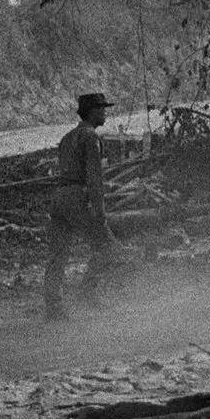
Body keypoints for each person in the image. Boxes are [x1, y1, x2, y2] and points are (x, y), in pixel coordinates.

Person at [45, 91, 125, 321]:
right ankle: (87, 292)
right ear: (91, 112)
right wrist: (99, 210)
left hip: (59, 196)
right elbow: (94, 177)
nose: (105, 113)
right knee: (107, 246)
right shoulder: (90, 137)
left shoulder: (67, 138)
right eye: (101, 109)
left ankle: (54, 306)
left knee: (57, 254)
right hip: (77, 196)